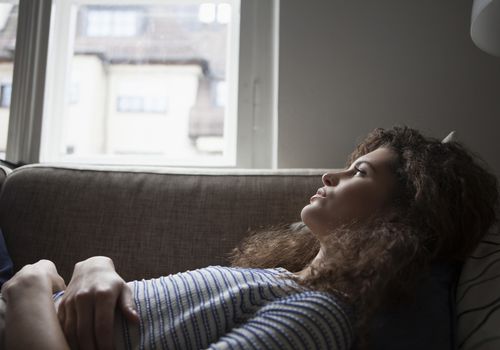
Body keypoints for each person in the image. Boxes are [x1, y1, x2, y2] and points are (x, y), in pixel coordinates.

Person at [1, 126, 498, 350]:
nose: (331, 176)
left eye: (359, 173)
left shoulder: (319, 315)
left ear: (403, 217)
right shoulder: (282, 285)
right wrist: (84, 267)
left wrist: (28, 289)